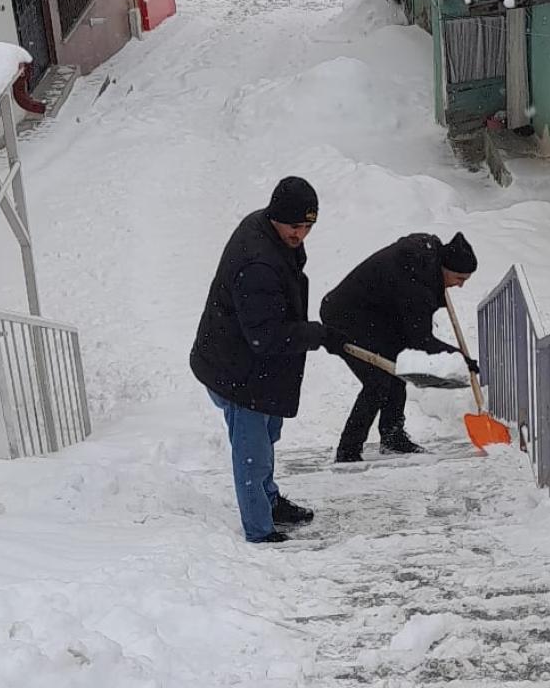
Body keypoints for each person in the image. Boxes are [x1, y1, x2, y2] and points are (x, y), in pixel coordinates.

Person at [190, 177, 349, 544]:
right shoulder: (257, 262)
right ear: (276, 217)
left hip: (252, 363)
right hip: (236, 371)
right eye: (295, 226)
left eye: (308, 226)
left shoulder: (267, 230)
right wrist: (317, 334)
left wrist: (317, 335)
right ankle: (260, 528)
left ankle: (270, 500)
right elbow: (266, 335)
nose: (301, 234)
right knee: (253, 452)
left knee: (268, 433)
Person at [320, 232, 479, 462]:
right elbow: (420, 340)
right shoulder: (416, 282)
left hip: (373, 314)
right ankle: (348, 450)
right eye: (459, 278)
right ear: (444, 268)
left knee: (395, 367)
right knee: (377, 381)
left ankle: (392, 436)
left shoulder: (425, 263)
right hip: (345, 317)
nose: (461, 286)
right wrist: (458, 358)